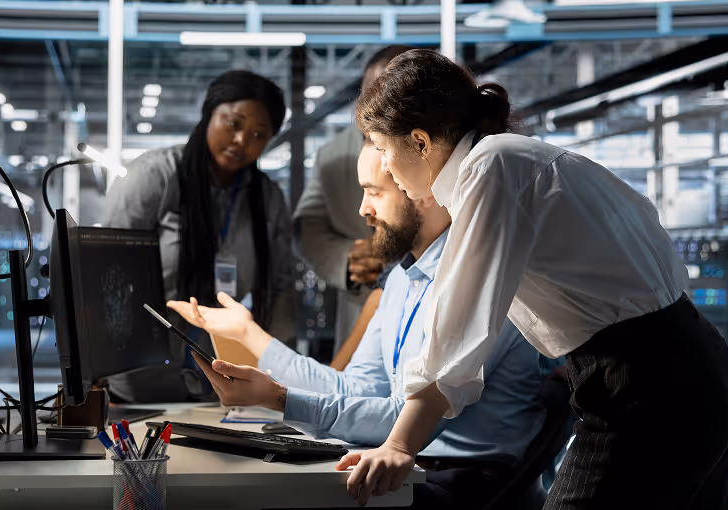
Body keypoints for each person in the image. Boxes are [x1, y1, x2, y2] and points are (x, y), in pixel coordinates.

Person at [337, 49, 728, 509]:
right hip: (698, 366)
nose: (385, 167)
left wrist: (398, 447)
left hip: (645, 387)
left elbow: (459, 328)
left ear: (418, 141)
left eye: (381, 148)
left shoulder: (488, 168)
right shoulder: (517, 157)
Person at [168, 139, 547, 509]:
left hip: (470, 483)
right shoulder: (401, 280)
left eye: (375, 192)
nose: (363, 209)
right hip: (415, 468)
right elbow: (357, 387)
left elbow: (405, 419)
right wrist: (248, 333)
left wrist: (280, 399)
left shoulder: (482, 276)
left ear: (424, 188)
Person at [102, 71, 295, 403]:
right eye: (233, 123)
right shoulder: (155, 176)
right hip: (140, 381)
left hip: (221, 383)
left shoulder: (267, 198)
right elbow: (107, 273)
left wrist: (272, 368)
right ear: (210, 114)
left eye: (258, 134)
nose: (241, 141)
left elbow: (281, 287)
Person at [294, 45, 413, 356]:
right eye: (372, 91)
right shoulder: (332, 155)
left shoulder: (443, 152)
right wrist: (347, 259)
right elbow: (309, 226)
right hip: (362, 299)